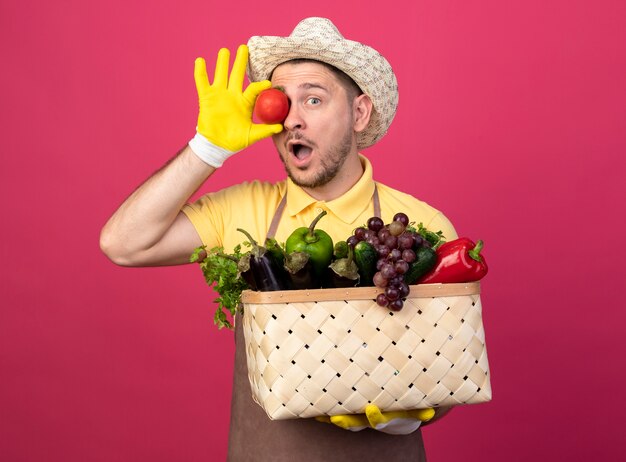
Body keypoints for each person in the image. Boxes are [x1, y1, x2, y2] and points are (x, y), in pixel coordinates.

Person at [101, 17, 456, 462]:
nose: (294, 121)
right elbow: (124, 243)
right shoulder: (242, 211)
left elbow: (450, 359)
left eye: (314, 99)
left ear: (359, 113)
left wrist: (409, 416)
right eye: (281, 102)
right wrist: (208, 148)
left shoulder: (422, 225)